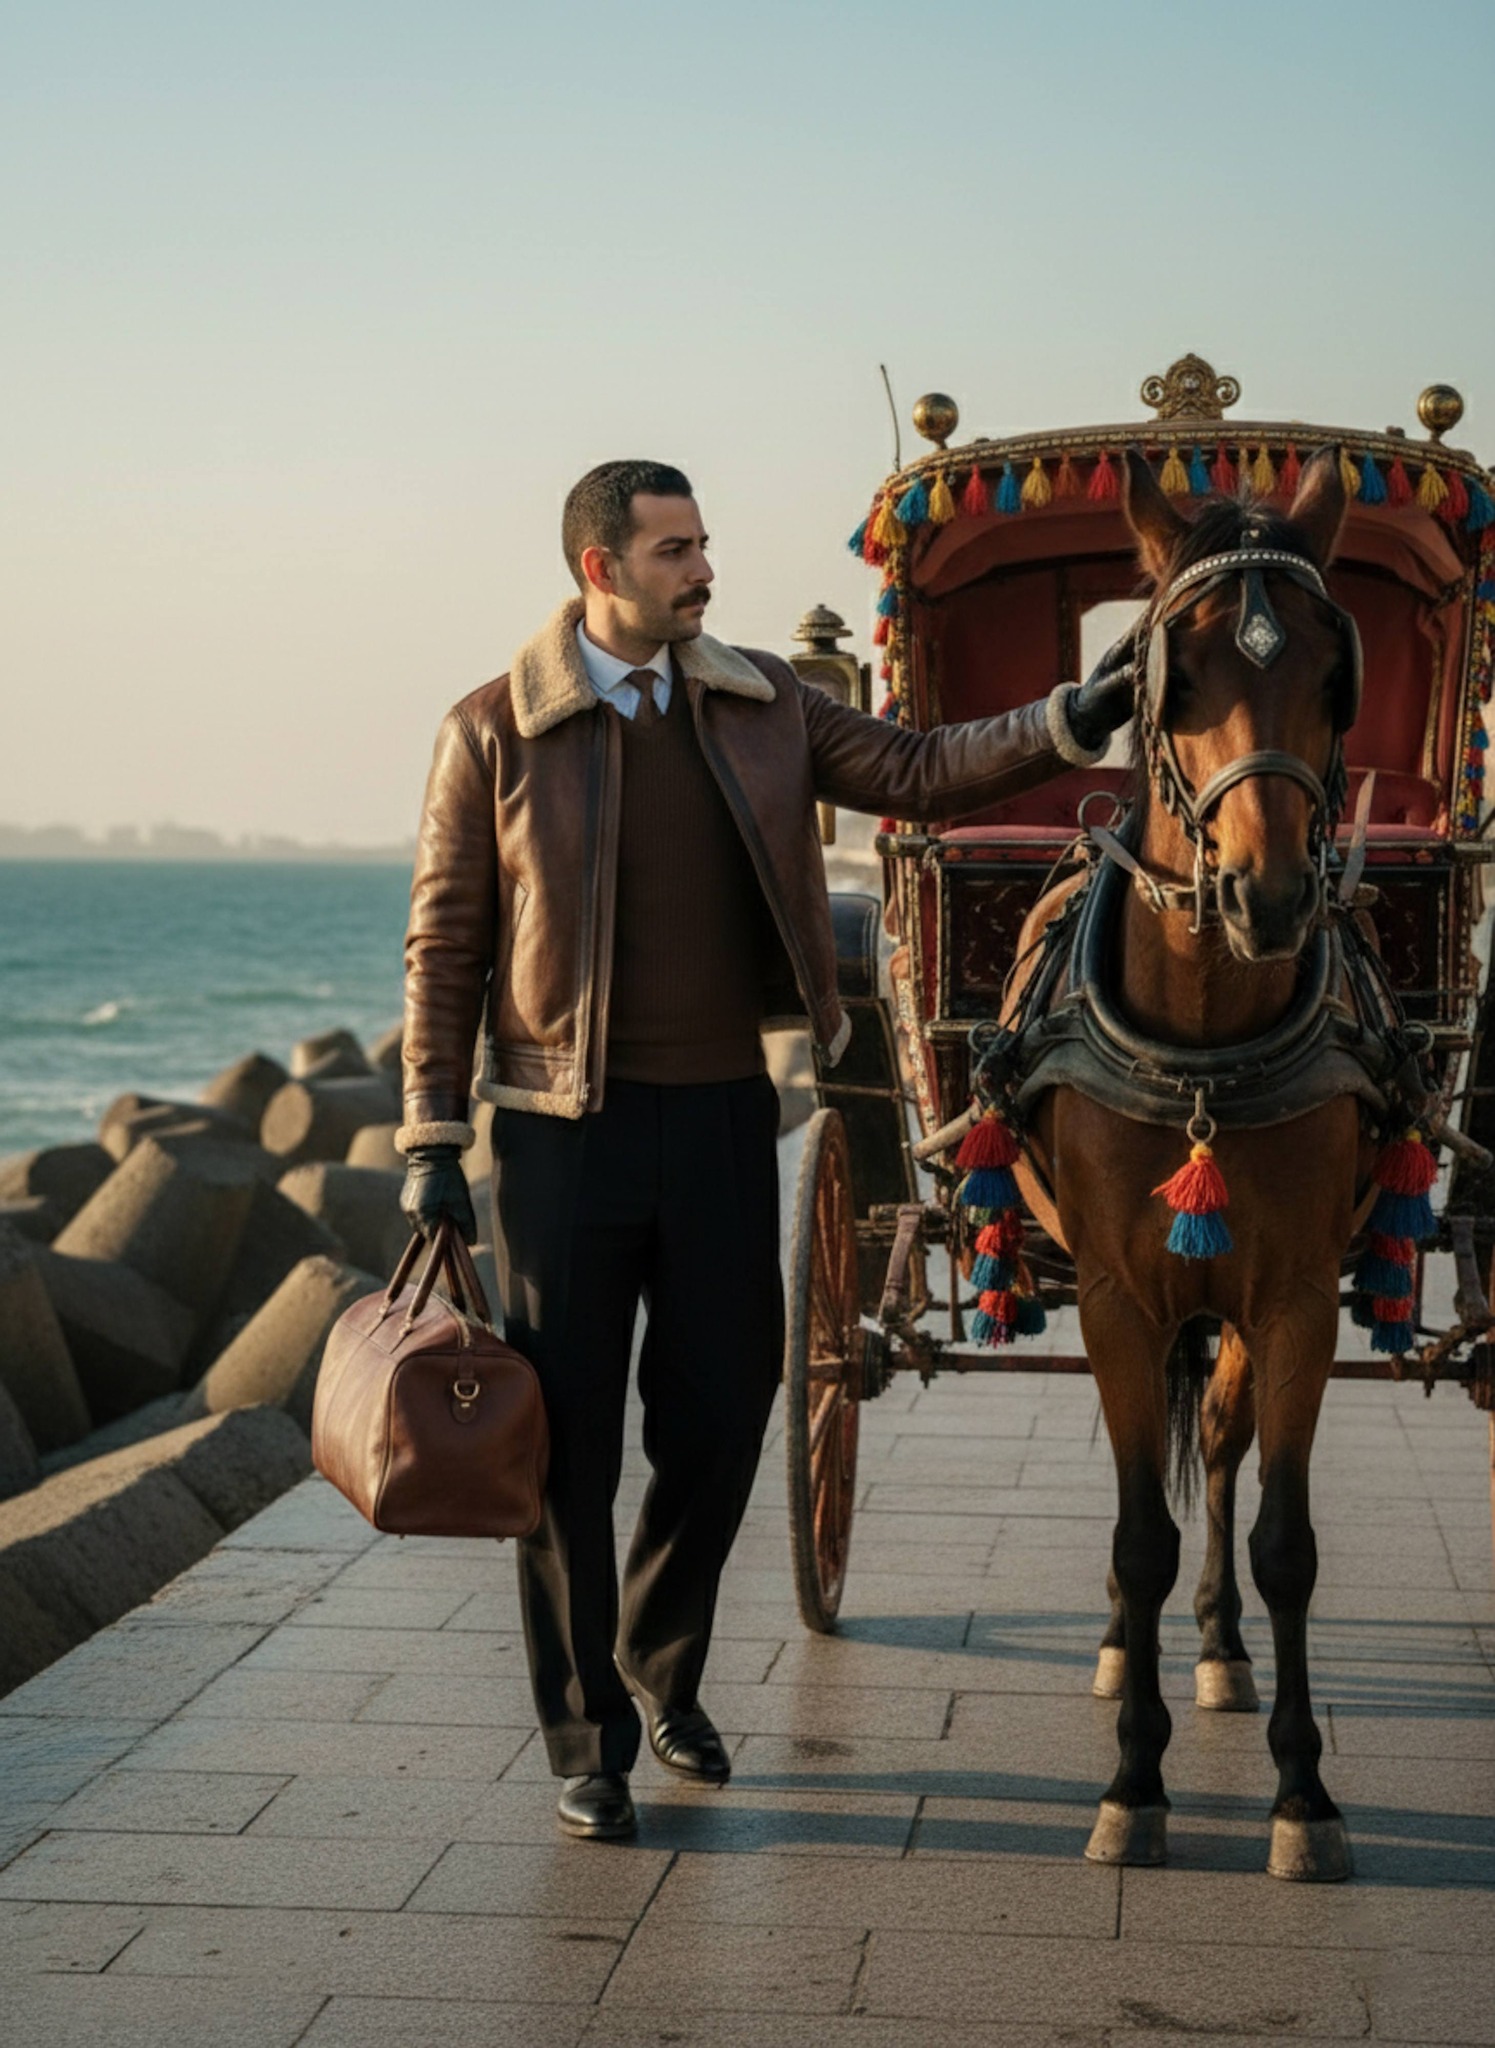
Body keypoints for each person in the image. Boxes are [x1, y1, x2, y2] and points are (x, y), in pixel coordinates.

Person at [396, 459, 1134, 1839]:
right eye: (675, 550)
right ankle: (588, 1739)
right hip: (558, 1133)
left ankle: (658, 1661)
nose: (704, 569)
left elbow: (916, 771)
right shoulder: (493, 729)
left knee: (727, 1411)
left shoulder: (765, 702)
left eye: (703, 543)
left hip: (726, 1112)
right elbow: (444, 945)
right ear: (601, 568)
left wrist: (1068, 720)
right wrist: (433, 1133)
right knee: (567, 1449)